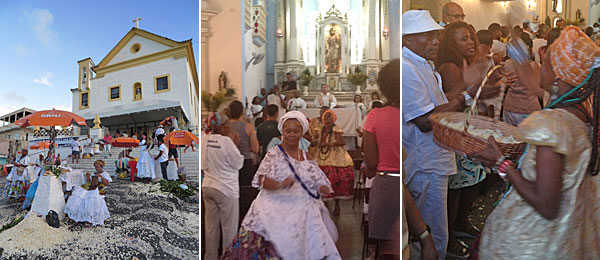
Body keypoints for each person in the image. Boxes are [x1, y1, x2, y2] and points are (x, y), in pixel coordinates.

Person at [469, 26, 600, 259]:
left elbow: (546, 205)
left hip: (536, 243)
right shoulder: (582, 107)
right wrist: (516, 45)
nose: (539, 66)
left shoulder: (552, 124)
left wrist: (501, 163)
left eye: (546, 61)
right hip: (571, 238)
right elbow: (530, 80)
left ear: (558, 76)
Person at [402, 10, 499, 260]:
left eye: (435, 35)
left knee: (438, 230)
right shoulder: (407, 68)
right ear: (407, 39)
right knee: (428, 235)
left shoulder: (425, 66)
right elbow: (425, 120)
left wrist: (477, 92)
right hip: (424, 162)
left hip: (436, 158)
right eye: (426, 35)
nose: (435, 40)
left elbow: (443, 106)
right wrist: (467, 94)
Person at [221, 111, 340, 259]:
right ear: (282, 131)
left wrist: (322, 187)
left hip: (303, 212)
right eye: (288, 130)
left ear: (302, 132)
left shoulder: (305, 156)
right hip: (272, 210)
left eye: (296, 131)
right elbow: (261, 179)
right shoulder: (274, 154)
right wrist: (279, 185)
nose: (291, 134)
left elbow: (318, 178)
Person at [436, 20, 507, 258]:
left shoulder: (464, 64)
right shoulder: (449, 67)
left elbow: (475, 94)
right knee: (455, 190)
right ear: (450, 43)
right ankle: (450, 236)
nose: (470, 42)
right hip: (457, 133)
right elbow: (451, 101)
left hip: (467, 128)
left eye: (470, 37)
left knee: (470, 184)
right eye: (462, 38)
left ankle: (461, 224)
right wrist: (473, 82)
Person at [362, 59, 402, 259]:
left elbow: (370, 162)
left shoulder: (376, 115)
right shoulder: (414, 114)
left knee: (387, 250)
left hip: (387, 183)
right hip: (413, 180)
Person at [201, 112, 244, 260]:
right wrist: (236, 145)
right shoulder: (225, 141)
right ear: (223, 125)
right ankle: (228, 257)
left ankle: (210, 257)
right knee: (229, 230)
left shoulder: (205, 139)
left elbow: (202, 164)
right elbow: (238, 163)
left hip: (208, 186)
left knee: (211, 229)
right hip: (226, 189)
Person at [310, 109, 354, 216]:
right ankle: (321, 204)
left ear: (333, 118)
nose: (327, 119)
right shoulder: (319, 129)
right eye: (326, 117)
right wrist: (315, 142)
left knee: (334, 179)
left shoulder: (336, 129)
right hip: (321, 156)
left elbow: (342, 142)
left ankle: (336, 204)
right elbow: (313, 141)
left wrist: (329, 144)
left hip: (334, 157)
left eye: (329, 117)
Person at [502, 32, 543, 126]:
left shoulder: (507, 63)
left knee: (509, 136)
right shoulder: (533, 66)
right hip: (529, 109)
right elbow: (538, 87)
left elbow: (504, 83)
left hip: (510, 106)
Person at [228, 100, 260, 220]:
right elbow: (256, 149)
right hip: (245, 163)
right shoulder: (249, 127)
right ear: (242, 111)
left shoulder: (225, 127)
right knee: (246, 194)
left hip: (230, 164)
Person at [64, 160, 112, 226]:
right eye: (95, 167)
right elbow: (89, 182)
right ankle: (78, 216)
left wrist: (101, 177)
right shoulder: (95, 173)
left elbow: (107, 183)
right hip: (92, 186)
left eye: (98, 167)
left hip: (99, 187)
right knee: (79, 195)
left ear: (101, 167)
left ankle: (90, 219)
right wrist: (88, 177)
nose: (96, 168)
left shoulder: (105, 173)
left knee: (90, 198)